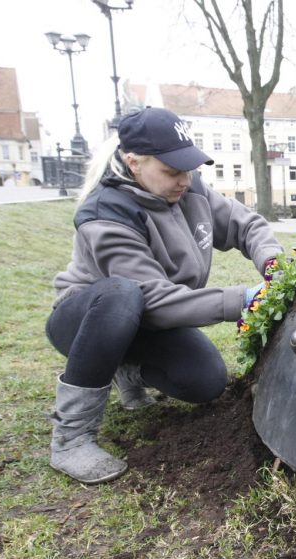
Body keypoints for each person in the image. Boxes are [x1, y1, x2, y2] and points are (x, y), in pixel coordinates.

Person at [45, 107, 282, 485]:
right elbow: (152, 299)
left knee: (206, 381)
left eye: (187, 168)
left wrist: (273, 265)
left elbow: (246, 224)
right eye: (172, 171)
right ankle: (71, 438)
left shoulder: (190, 191)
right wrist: (243, 299)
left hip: (147, 322)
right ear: (134, 162)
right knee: (123, 295)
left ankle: (125, 368)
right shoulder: (107, 213)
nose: (184, 180)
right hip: (87, 321)